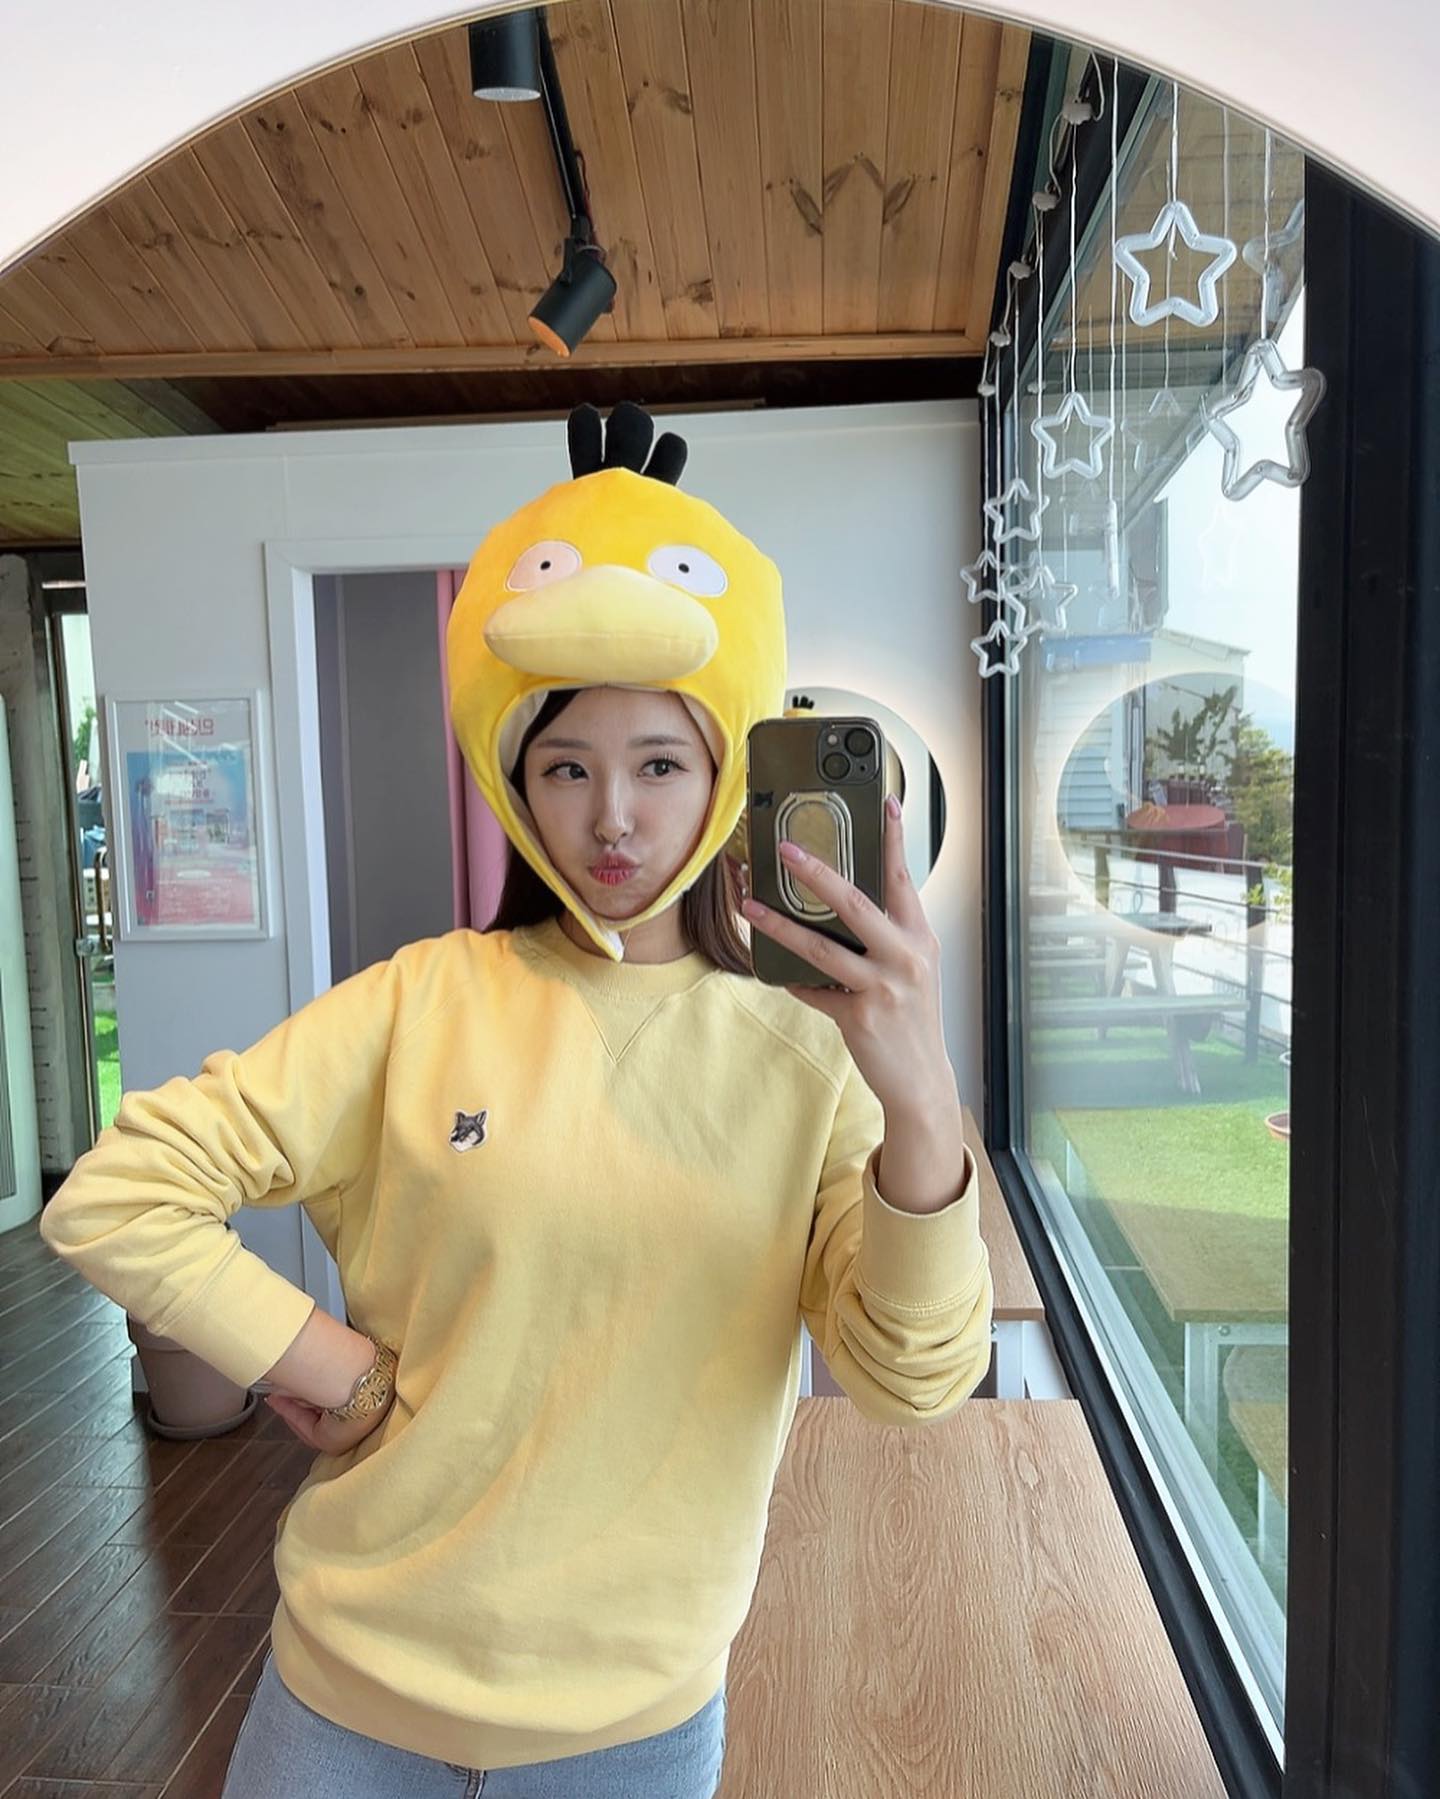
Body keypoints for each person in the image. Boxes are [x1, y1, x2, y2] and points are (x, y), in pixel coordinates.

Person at [39, 404, 993, 1798]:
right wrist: (324, 1362)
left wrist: (921, 1098)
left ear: (728, 775)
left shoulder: (809, 1055)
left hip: (633, 1734)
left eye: (661, 764)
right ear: (513, 781)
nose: (613, 818)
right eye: (566, 768)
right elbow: (117, 1194)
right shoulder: (418, 1002)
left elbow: (914, 1385)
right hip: (344, 1704)